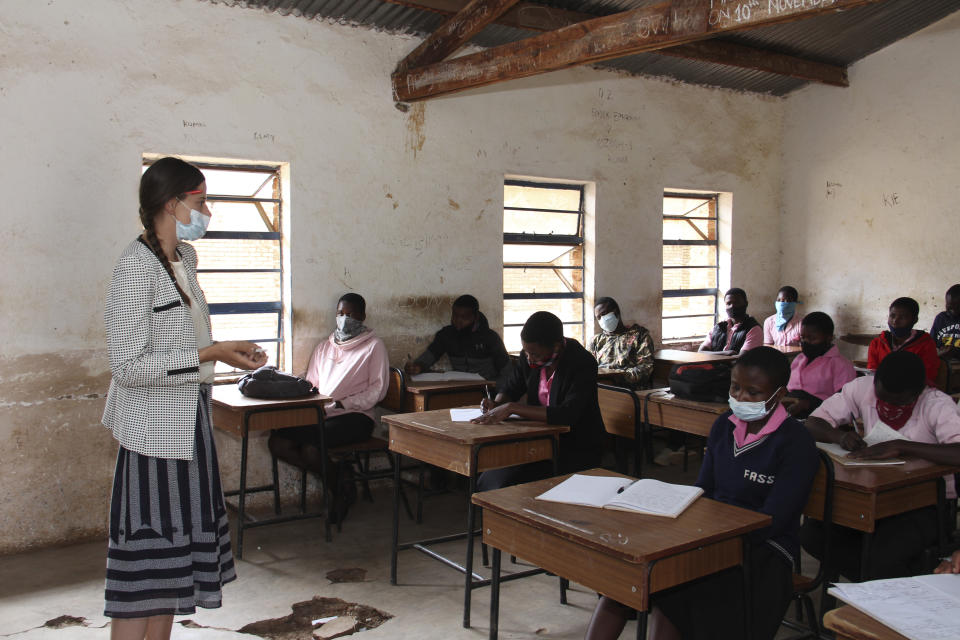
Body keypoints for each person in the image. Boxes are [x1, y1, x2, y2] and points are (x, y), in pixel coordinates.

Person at [102, 157, 267, 640]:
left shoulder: (185, 261)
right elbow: (128, 366)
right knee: (144, 577)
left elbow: (185, 342)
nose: (207, 210)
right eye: (200, 201)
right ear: (172, 203)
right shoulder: (135, 267)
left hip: (187, 423)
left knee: (173, 573)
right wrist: (209, 352)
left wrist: (224, 352)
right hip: (152, 437)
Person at [585, 347, 819, 640]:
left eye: (753, 392)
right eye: (735, 387)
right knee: (629, 577)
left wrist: (711, 543)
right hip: (709, 535)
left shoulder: (795, 443)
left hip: (764, 550)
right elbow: (704, 489)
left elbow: (776, 519)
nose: (741, 397)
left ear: (780, 394)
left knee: (679, 584)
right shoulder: (724, 425)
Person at [801, 351, 960, 580]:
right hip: (873, 496)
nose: (888, 407)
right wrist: (839, 437)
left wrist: (902, 446)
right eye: (882, 398)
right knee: (814, 535)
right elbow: (812, 423)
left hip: (924, 505)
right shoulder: (861, 387)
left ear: (918, 392)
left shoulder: (937, 405)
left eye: (899, 402)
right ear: (874, 382)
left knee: (883, 553)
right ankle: (873, 583)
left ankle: (879, 583)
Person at [268, 293, 388, 523]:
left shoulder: (374, 346)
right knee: (277, 442)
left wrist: (344, 403)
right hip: (323, 414)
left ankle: (339, 491)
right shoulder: (325, 347)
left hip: (356, 416)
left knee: (313, 448)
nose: (344, 319)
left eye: (350, 314)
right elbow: (312, 385)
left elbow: (378, 390)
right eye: (340, 314)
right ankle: (339, 478)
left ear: (362, 316)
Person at [471, 311, 604, 490]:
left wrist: (512, 408)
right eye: (526, 351)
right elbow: (511, 387)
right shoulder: (530, 358)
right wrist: (497, 403)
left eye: (533, 353)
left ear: (556, 347)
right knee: (488, 475)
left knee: (506, 481)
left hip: (574, 445)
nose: (528, 358)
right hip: (539, 440)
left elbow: (568, 414)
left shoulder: (582, 363)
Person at [406, 294, 509, 381]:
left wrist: (499, 395)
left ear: (476, 317)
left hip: (488, 389)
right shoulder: (446, 335)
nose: (458, 321)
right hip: (460, 387)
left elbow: (507, 372)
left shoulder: (490, 338)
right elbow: (429, 356)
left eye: (464, 317)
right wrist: (418, 366)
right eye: (455, 316)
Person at [783, 312, 856, 419]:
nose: (806, 342)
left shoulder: (841, 365)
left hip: (821, 419)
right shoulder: (799, 359)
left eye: (812, 338)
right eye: (803, 338)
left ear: (828, 338)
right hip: (791, 413)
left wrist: (807, 404)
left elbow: (845, 404)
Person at [867, 297, 939, 386]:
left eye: (902, 317)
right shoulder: (877, 343)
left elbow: (927, 376)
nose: (895, 321)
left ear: (915, 320)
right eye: (892, 315)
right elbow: (872, 373)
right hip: (881, 391)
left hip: (911, 393)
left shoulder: (925, 344)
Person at [590, 296, 654, 389]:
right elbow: (587, 367)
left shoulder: (639, 336)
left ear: (616, 312)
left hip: (628, 390)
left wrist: (617, 378)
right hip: (601, 386)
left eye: (604, 314)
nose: (602, 319)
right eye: (598, 317)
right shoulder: (596, 341)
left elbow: (645, 368)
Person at [699, 287, 763, 354]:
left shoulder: (754, 329)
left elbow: (742, 359)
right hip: (714, 364)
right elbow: (701, 352)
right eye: (728, 303)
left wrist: (715, 356)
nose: (732, 306)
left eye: (737, 302)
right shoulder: (718, 327)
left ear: (746, 304)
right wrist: (725, 353)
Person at [930, 284, 960, 359]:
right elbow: (931, 345)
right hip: (943, 364)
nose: (953, 312)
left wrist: (956, 351)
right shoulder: (941, 318)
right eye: (949, 307)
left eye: (957, 307)